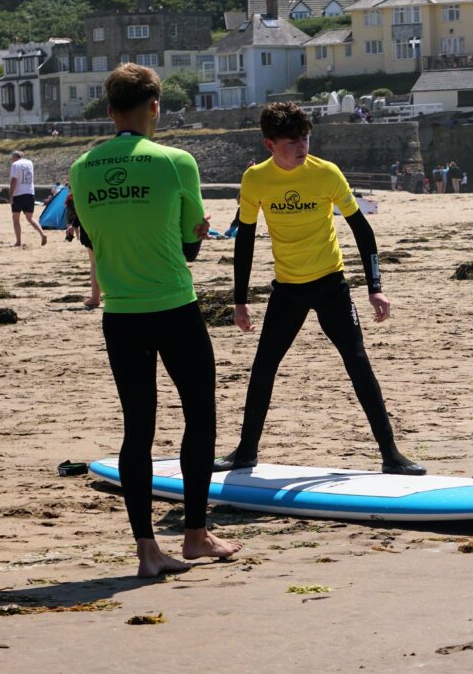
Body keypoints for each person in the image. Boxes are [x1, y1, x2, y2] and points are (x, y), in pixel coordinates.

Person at [68, 63, 241, 577]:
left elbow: (93, 240)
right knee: (200, 417)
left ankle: (146, 551)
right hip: (173, 307)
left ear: (109, 111)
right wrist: (193, 232)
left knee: (137, 429)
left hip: (121, 314)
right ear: (155, 107)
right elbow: (190, 248)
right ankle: (194, 535)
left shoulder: (81, 169)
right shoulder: (175, 161)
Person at [213, 102, 425, 476]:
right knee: (263, 368)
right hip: (287, 290)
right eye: (292, 141)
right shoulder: (256, 180)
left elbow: (362, 228)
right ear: (270, 144)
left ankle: (391, 454)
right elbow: (244, 238)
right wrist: (240, 301)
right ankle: (246, 451)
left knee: (358, 363)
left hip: (330, 284)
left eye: (306, 138)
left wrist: (375, 287)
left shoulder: (326, 173)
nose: (302, 146)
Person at [63, 191, 101, 308]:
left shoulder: (84, 181)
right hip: (114, 224)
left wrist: (74, 225)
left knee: (94, 263)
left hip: (91, 225)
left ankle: (95, 297)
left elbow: (83, 208)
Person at [9, 151, 47, 247]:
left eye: (11, 158)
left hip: (18, 194)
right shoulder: (30, 163)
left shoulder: (15, 164)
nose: (11, 160)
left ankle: (18, 241)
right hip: (30, 193)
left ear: (15, 157)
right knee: (30, 218)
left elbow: (14, 180)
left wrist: (11, 195)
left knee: (15, 218)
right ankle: (42, 234)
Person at [225, 160, 257, 238]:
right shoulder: (249, 177)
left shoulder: (250, 177)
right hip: (247, 204)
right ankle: (234, 231)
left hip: (249, 203)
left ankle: (233, 231)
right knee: (241, 218)